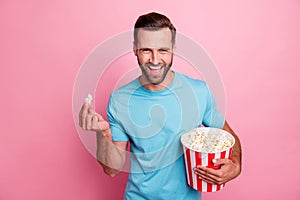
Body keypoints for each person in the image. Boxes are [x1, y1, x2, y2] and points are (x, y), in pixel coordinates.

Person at [79, 12, 242, 200]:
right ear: (135, 49)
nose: (155, 60)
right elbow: (112, 169)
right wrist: (103, 134)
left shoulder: (199, 92)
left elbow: (228, 135)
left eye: (163, 50)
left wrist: (235, 165)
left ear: (173, 48)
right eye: (146, 50)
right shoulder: (119, 99)